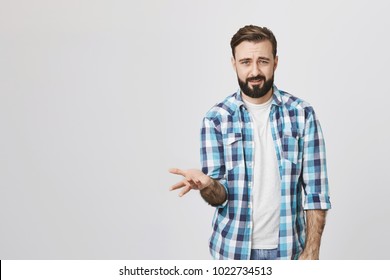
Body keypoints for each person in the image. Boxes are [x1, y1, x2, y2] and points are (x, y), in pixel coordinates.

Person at [169, 25, 331, 260]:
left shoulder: (302, 113)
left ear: (275, 62)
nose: (254, 71)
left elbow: (317, 190)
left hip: (290, 252)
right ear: (234, 64)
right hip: (232, 252)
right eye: (245, 62)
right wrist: (207, 185)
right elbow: (219, 196)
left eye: (263, 61)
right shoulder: (216, 119)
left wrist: (312, 250)